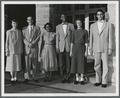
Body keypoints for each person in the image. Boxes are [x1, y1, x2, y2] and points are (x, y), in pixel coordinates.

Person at [89, 9, 113, 88]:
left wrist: (110, 48)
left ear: (103, 15)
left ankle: (104, 82)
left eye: (101, 14)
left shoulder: (108, 24)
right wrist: (91, 48)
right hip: (96, 48)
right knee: (97, 65)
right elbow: (91, 38)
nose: (99, 16)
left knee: (105, 65)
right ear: (96, 16)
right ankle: (98, 80)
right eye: (98, 14)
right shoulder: (92, 25)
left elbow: (110, 37)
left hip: (105, 48)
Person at [56, 14, 74, 83]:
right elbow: (57, 37)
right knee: (61, 63)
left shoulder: (71, 25)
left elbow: (73, 36)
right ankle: (62, 77)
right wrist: (57, 47)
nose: (63, 18)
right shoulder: (58, 27)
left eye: (65, 17)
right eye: (62, 17)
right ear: (60, 18)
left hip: (68, 47)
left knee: (68, 63)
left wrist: (72, 46)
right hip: (61, 47)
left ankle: (68, 77)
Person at [22, 16, 41, 82]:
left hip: (34, 47)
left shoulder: (37, 28)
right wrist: (28, 44)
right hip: (27, 48)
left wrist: (33, 43)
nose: (29, 20)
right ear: (27, 21)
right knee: (27, 63)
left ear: (33, 20)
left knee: (34, 63)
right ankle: (27, 77)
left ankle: (35, 77)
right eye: (28, 19)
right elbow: (23, 38)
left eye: (31, 19)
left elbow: (38, 37)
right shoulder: (24, 29)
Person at [70, 19, 88, 85]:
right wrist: (71, 51)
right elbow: (71, 42)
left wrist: (86, 51)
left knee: (81, 62)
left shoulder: (85, 31)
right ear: (76, 24)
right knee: (75, 63)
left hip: (82, 48)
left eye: (79, 22)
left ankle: (82, 78)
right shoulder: (73, 32)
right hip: (75, 48)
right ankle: (77, 78)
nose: (78, 23)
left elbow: (86, 42)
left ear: (82, 23)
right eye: (77, 22)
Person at [5, 19, 23, 84]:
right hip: (11, 51)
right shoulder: (8, 32)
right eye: (13, 23)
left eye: (16, 23)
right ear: (11, 24)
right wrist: (6, 50)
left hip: (17, 51)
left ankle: (15, 77)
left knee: (16, 64)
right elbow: (6, 42)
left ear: (17, 24)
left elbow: (20, 41)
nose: (14, 24)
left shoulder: (19, 31)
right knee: (11, 65)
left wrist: (21, 50)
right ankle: (12, 77)